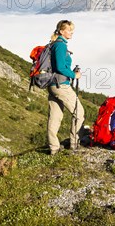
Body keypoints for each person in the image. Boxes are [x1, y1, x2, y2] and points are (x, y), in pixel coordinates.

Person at [47, 20, 85, 155]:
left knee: (55, 116)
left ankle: (54, 148)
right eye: (69, 30)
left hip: (53, 84)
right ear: (62, 31)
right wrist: (74, 75)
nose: (72, 33)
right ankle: (74, 144)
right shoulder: (60, 45)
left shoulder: (54, 44)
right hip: (61, 85)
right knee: (79, 113)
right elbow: (60, 67)